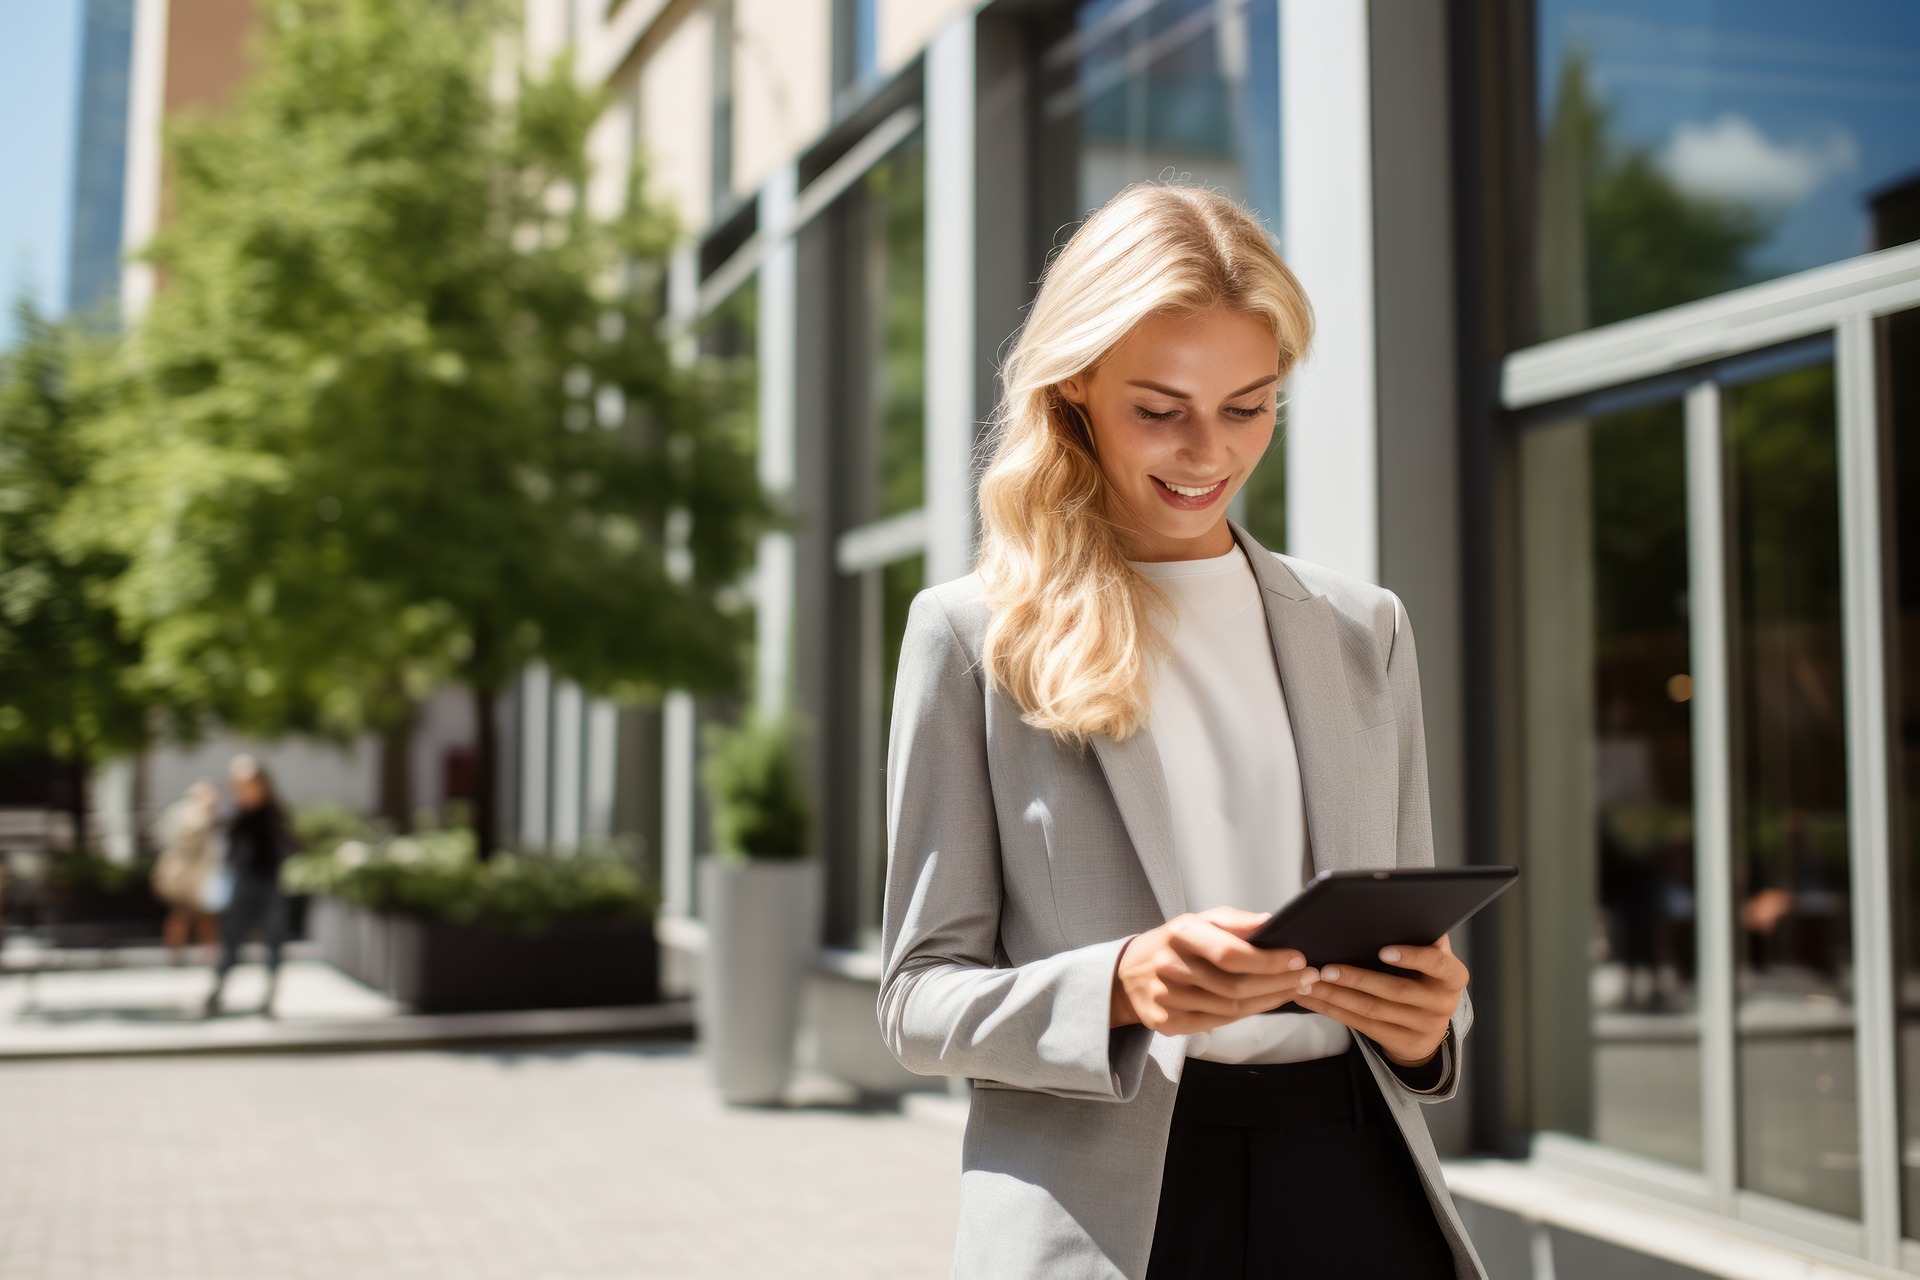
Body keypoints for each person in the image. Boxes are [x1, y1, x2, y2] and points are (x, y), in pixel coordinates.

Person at [877, 184, 1485, 1279]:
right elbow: (917, 996)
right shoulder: (971, 636)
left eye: (1249, 406)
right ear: (1076, 391)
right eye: (1161, 409)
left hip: (1351, 1177)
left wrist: (1431, 1019)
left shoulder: (1366, 628)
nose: (1209, 451)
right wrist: (1118, 982)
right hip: (1112, 1212)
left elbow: (1415, 958)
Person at [203, 755, 295, 1018]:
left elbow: (289, 844)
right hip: (243, 883)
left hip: (270, 883)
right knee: (232, 939)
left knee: (274, 940)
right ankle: (217, 990)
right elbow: (223, 844)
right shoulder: (235, 814)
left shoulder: (274, 813)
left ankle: (270, 995)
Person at [149, 779, 224, 965]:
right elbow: (189, 837)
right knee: (185, 914)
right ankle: (179, 955)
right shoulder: (192, 813)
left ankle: (207, 955)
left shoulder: (188, 812)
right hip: (185, 876)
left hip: (195, 875)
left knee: (203, 916)